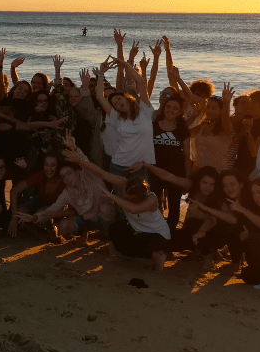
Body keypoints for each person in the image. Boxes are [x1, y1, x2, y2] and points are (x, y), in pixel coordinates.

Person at [62, 145, 170, 270]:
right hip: (139, 230)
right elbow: (102, 174)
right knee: (115, 228)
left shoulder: (151, 199)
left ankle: (158, 256)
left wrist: (111, 196)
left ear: (138, 196)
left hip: (158, 236)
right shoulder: (125, 183)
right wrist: (79, 159)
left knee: (134, 244)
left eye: (128, 197)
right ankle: (117, 254)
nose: (124, 195)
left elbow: (133, 209)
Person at [95, 56, 155, 185]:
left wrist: (125, 65)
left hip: (140, 167)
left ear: (127, 98)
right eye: (114, 103)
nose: (117, 102)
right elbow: (100, 97)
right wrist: (101, 74)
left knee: (142, 200)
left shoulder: (145, 110)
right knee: (120, 202)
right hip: (118, 166)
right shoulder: (116, 117)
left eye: (119, 99)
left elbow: (141, 83)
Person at [147, 94, 190, 230]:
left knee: (174, 203)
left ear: (179, 111)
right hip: (155, 170)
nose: (170, 110)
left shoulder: (182, 130)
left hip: (176, 172)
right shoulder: (152, 126)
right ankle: (156, 228)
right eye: (168, 107)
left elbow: (187, 156)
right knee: (153, 201)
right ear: (164, 108)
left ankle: (170, 232)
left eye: (175, 108)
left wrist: (187, 179)